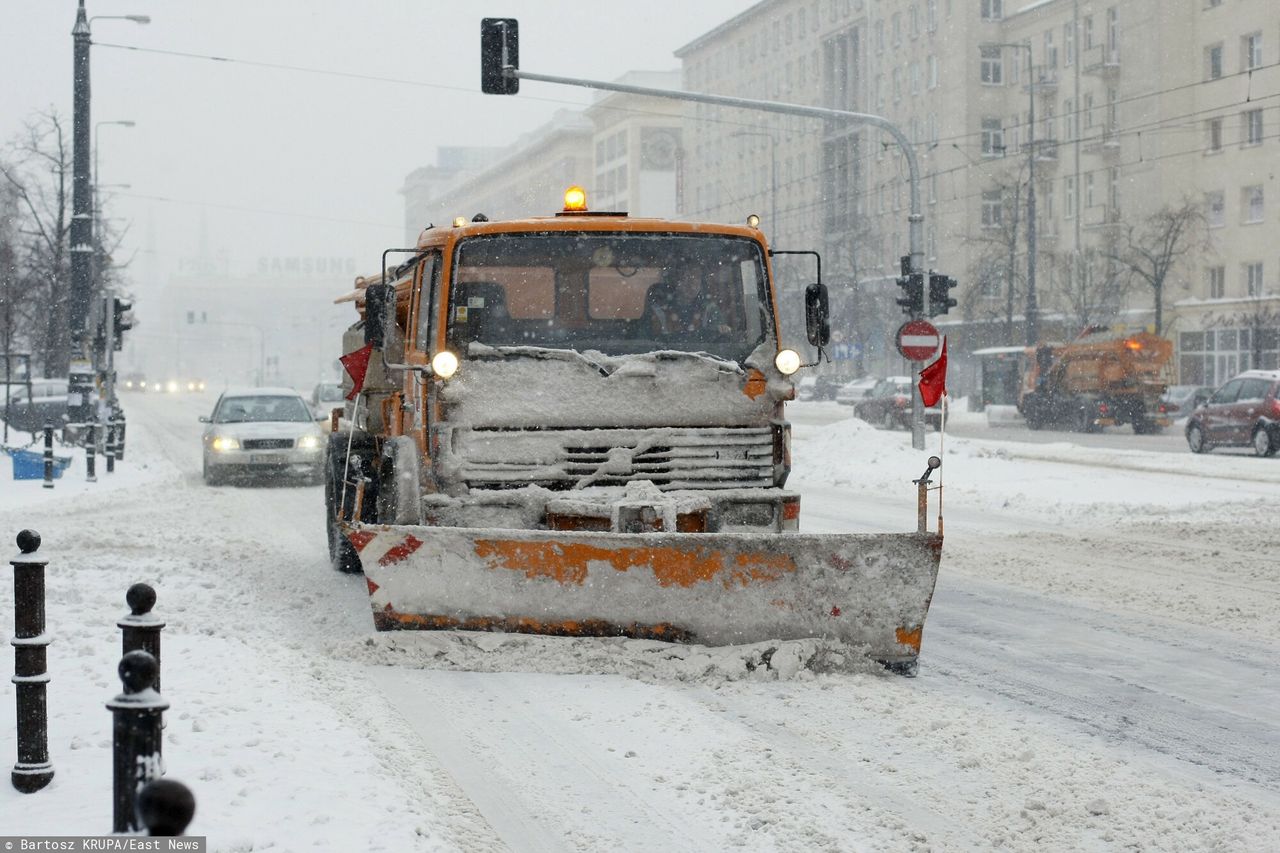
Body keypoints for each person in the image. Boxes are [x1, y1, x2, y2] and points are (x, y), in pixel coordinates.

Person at [645, 267, 731, 338]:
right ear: (676, 281)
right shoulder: (658, 310)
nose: (692, 284)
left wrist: (722, 330)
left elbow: (722, 340)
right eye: (686, 278)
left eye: (697, 278)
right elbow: (644, 345)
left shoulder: (710, 309)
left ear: (701, 283)